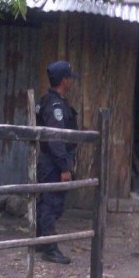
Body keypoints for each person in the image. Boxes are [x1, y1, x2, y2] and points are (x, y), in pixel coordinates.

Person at [35, 60, 79, 264]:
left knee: (46, 200)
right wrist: (64, 167)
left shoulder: (48, 101)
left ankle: (41, 240)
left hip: (49, 160)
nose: (71, 82)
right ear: (63, 80)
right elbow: (56, 138)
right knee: (51, 203)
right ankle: (50, 247)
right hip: (53, 161)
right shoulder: (54, 105)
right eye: (69, 78)